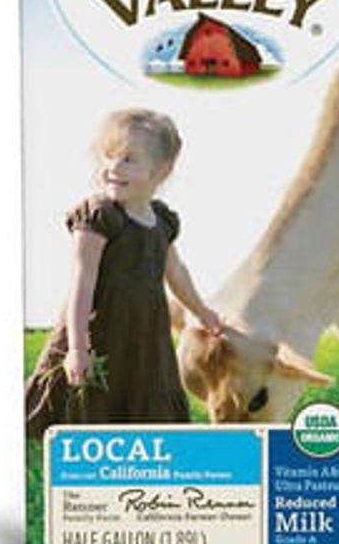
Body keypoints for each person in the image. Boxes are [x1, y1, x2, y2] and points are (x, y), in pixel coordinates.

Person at [25, 108, 221, 434]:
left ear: (161, 170)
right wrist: (77, 348)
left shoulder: (161, 221)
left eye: (129, 159)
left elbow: (176, 272)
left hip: (145, 335)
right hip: (100, 329)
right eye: (109, 155)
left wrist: (201, 311)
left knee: (144, 400)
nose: (114, 167)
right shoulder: (100, 216)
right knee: (92, 396)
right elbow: (82, 282)